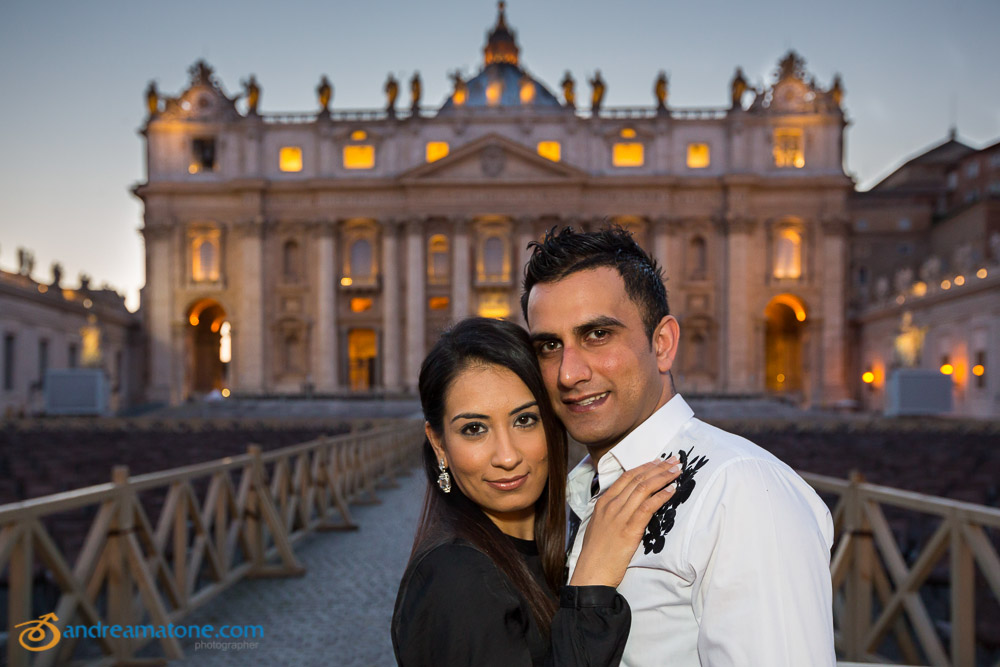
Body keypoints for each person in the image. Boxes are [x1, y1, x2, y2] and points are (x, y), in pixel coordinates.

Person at [521, 227, 836, 666]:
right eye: (550, 345)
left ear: (663, 344)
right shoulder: (583, 488)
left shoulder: (740, 490)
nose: (568, 373)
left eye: (598, 335)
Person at [392, 318, 683, 666]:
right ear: (439, 443)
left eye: (525, 420)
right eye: (474, 429)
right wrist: (592, 584)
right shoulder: (457, 579)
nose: (507, 456)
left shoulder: (531, 554)